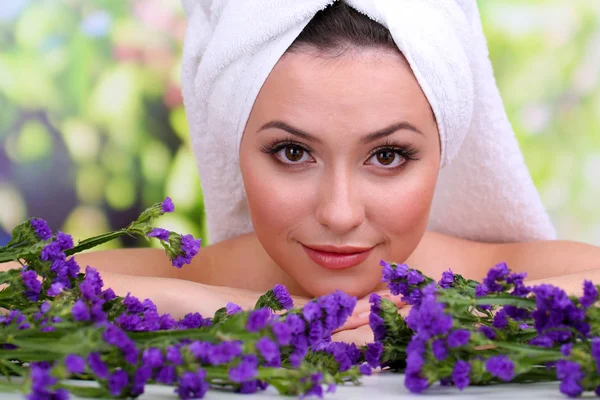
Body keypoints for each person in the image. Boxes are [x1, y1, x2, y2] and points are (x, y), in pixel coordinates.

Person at [3, 2, 600, 345]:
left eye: (387, 155)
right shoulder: (210, 274)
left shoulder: (482, 275)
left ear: (445, 151)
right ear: (237, 148)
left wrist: (459, 312)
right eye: (292, 153)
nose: (340, 214)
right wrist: (225, 307)